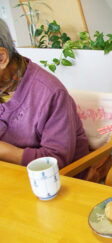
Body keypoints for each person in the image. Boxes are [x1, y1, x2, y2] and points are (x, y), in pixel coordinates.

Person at [0, 19, 89, 169]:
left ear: (1, 58)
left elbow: (57, 160)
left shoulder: (51, 94)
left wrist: (3, 151)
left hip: (56, 180)